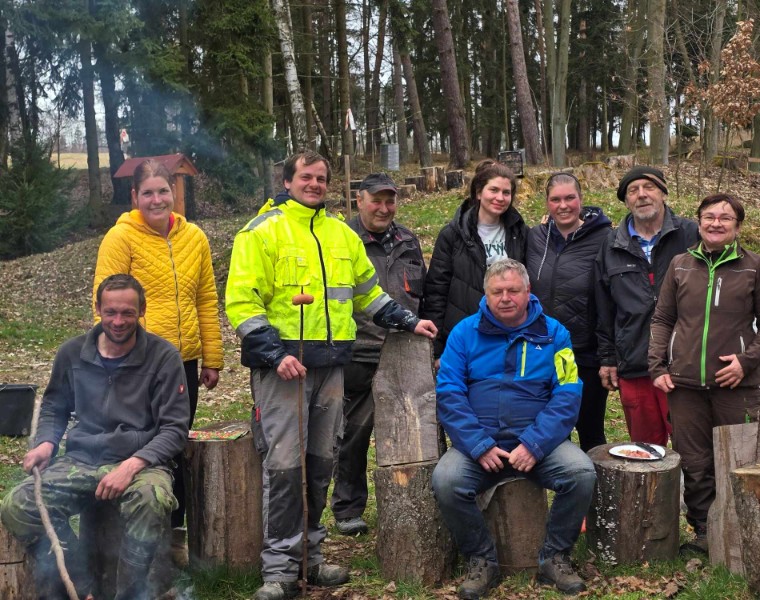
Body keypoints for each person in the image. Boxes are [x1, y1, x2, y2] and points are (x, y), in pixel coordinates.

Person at [225, 151, 437, 600]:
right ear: (287, 181)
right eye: (307, 177)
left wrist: (408, 321)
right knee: (285, 467)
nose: (315, 184)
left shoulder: (340, 234)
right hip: (284, 368)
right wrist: (273, 354)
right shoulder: (261, 232)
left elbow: (368, 294)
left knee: (321, 464)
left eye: (321, 178)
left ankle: (311, 556)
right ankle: (280, 570)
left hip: (332, 366)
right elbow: (242, 302)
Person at [0, 274, 190, 600]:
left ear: (142, 311)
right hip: (81, 459)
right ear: (98, 309)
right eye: (111, 312)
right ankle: (80, 586)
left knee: (151, 499)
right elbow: (54, 407)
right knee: (18, 504)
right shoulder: (72, 353)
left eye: (127, 313)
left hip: (141, 462)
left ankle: (131, 594)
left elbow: (174, 428)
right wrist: (46, 443)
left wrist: (131, 465)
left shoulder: (164, 357)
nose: (118, 321)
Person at [432, 259, 596, 598]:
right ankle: (482, 560)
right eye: (497, 292)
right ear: (486, 294)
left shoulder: (555, 334)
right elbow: (449, 393)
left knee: (580, 473)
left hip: (540, 444)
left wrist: (535, 444)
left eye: (513, 290)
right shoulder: (463, 333)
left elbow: (568, 393)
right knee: (447, 481)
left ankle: (555, 558)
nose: (505, 298)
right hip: (480, 445)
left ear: (528, 291)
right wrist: (478, 444)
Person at [93, 159, 223, 563]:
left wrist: (212, 356)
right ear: (135, 197)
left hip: (183, 363)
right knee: (140, 443)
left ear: (174, 192)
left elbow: (206, 298)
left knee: (175, 443)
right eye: (147, 192)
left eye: (163, 191)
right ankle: (132, 538)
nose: (156, 199)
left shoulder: (194, 238)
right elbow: (106, 304)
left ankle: (175, 535)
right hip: (136, 365)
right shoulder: (120, 238)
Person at [649, 193, 760, 553]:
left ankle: (744, 534)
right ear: (698, 222)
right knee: (694, 462)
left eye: (725, 218)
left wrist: (746, 361)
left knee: (740, 460)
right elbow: (662, 319)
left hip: (736, 385)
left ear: (738, 227)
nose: (716, 223)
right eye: (709, 217)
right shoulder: (680, 265)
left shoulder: (755, 267)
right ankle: (704, 533)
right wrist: (657, 366)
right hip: (685, 385)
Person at [331, 173, 426, 536]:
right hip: (360, 350)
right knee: (354, 435)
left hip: (405, 350)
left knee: (411, 429)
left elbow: (423, 291)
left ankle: (412, 506)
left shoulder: (407, 240)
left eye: (390, 201)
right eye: (377, 201)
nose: (384, 208)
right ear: (360, 200)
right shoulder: (343, 238)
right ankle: (348, 508)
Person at [595, 166, 699, 446]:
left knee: (692, 449)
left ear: (663, 193)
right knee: (646, 452)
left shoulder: (692, 235)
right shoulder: (611, 245)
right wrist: (607, 358)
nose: (641, 195)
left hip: (685, 363)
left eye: (649, 187)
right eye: (633, 190)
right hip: (635, 362)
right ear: (626, 201)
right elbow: (603, 308)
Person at [526, 172, 612, 451]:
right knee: (549, 432)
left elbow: (610, 299)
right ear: (546, 203)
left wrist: (608, 355)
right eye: (555, 200)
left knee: (591, 432)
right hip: (541, 352)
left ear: (581, 200)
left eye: (569, 198)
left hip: (584, 354)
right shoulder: (535, 237)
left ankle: (594, 480)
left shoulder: (605, 238)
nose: (563, 206)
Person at [423, 160, 526, 362]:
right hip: (462, 338)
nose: (500, 197)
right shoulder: (453, 235)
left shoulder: (520, 233)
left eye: (506, 192)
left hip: (508, 336)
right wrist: (436, 350)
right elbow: (436, 292)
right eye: (493, 190)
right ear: (479, 193)